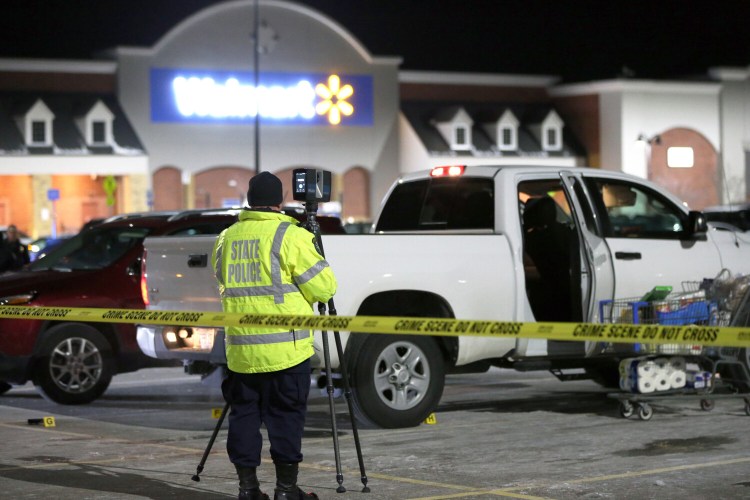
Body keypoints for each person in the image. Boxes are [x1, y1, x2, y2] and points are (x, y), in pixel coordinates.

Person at [212, 171, 337, 500]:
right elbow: (325, 288)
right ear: (279, 201)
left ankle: (248, 490)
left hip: (240, 353)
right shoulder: (290, 235)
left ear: (251, 200)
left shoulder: (227, 237)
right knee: (285, 419)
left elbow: (220, 278)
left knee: (243, 418)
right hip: (285, 352)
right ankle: (285, 491)